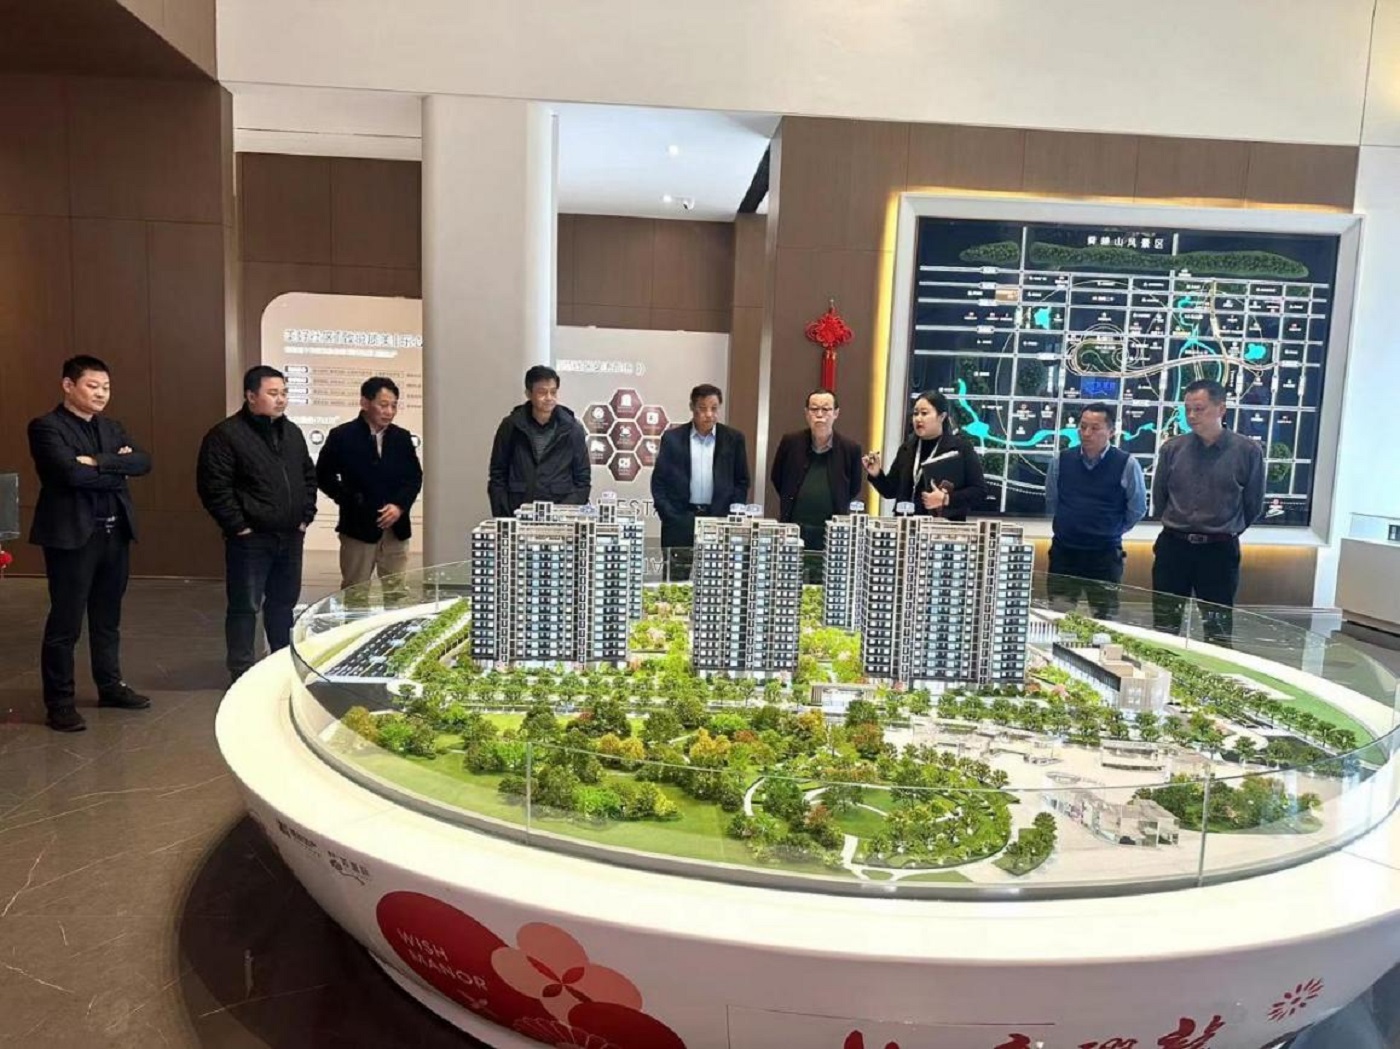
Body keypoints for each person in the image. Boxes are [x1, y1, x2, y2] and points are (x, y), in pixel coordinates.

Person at [28, 356, 152, 732]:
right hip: (72, 538)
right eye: (92, 386)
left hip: (115, 534)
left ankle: (110, 686)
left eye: (106, 388)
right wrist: (115, 468)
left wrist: (96, 462)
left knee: (107, 619)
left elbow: (142, 463)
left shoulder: (112, 427)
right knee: (65, 623)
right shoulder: (46, 427)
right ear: (68, 386)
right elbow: (69, 475)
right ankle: (60, 702)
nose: (101, 394)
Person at [197, 366, 318, 682]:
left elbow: (308, 476)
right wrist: (239, 526)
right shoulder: (226, 435)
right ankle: (241, 669)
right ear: (251, 396)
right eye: (273, 393)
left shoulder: (292, 433)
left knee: (283, 604)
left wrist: (305, 517)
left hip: (290, 535)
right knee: (245, 606)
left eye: (284, 393)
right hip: (250, 539)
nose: (281, 400)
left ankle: (281, 662)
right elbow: (214, 487)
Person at [1151, 379, 1264, 645]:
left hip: (1218, 551)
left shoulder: (1247, 451)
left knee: (1218, 632)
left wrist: (1225, 528)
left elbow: (1253, 504)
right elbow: (1160, 498)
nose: (1191, 416)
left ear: (1221, 409)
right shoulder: (1172, 449)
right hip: (1174, 547)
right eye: (1188, 409)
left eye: (1199, 409)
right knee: (1164, 627)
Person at [315, 376, 423, 600]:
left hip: (395, 529)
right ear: (365, 403)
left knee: (396, 593)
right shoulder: (342, 436)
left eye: (394, 406)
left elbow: (413, 477)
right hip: (358, 527)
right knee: (355, 593)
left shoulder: (401, 437)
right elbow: (323, 475)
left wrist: (399, 506)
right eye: (383, 405)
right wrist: (350, 499)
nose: (389, 412)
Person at [1044, 402, 1147, 619]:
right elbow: (1053, 500)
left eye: (1094, 428)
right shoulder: (1060, 461)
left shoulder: (1127, 464)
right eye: (1082, 427)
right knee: (1059, 617)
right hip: (1065, 553)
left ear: (1111, 431)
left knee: (1105, 620)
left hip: (1104, 555)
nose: (1086, 433)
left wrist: (1110, 529)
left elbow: (1137, 508)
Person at [650, 383, 750, 576]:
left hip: (719, 521)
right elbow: (659, 482)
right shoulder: (672, 439)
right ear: (692, 407)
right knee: (676, 581)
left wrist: (731, 516)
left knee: (716, 581)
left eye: (714, 408)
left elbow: (742, 481)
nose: (709, 414)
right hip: (680, 520)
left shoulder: (733, 439)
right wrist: (670, 516)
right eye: (703, 409)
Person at [771, 389, 864, 567]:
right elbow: (777, 477)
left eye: (826, 409)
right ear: (807, 413)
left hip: (831, 531)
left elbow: (853, 487)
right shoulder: (791, 442)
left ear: (836, 413)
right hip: (794, 526)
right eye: (814, 409)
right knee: (790, 574)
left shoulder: (850, 449)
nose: (820, 415)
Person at [863, 390, 987, 521]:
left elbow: (979, 491)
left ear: (942, 416)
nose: (918, 419)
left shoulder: (960, 449)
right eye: (915, 413)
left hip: (942, 527)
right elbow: (890, 491)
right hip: (906, 526)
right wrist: (876, 474)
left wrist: (946, 499)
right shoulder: (907, 449)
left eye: (924, 413)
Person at [487, 365, 591, 518]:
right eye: (542, 392)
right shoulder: (512, 426)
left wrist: (565, 513)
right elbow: (498, 475)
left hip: (560, 516)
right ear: (529, 394)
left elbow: (582, 480)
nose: (549, 398)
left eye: (553, 392)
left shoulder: (572, 428)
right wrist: (505, 515)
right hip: (518, 513)